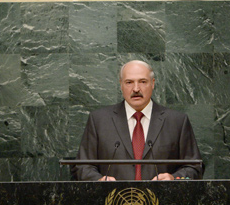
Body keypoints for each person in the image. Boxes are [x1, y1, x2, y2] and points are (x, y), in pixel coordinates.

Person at [72, 60, 204, 181]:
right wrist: (99, 181)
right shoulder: (99, 120)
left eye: (142, 82)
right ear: (121, 85)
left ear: (152, 83)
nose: (136, 89)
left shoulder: (177, 121)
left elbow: (194, 167)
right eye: (129, 82)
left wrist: (174, 178)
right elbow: (83, 166)